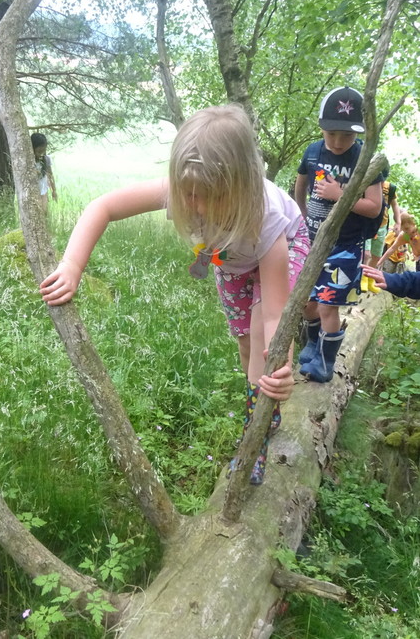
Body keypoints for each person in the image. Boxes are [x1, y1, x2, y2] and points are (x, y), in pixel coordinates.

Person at [40, 104, 310, 484]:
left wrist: (281, 366)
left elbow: (275, 316)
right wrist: (71, 265)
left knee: (261, 334)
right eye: (189, 195)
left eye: (211, 196)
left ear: (241, 186)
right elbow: (103, 207)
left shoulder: (265, 218)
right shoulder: (183, 187)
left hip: (283, 247)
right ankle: (264, 406)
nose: (197, 206)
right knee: (246, 344)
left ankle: (257, 435)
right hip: (231, 259)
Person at [294, 86, 384, 383]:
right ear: (321, 127)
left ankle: (325, 362)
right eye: (331, 133)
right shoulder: (313, 151)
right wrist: (301, 215)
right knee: (307, 303)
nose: (337, 141)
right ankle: (312, 345)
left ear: (359, 133)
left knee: (327, 304)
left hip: (344, 246)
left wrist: (339, 194)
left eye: (346, 135)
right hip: (311, 241)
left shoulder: (364, 159)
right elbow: (301, 182)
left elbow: (373, 207)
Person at [361, 177, 400, 293]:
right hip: (367, 223)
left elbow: (395, 205)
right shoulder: (368, 183)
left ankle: (369, 279)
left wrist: (398, 222)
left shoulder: (390, 188)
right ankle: (362, 278)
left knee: (376, 255)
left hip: (382, 226)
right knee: (366, 254)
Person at [31, 133, 58, 213]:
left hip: (43, 191)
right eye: (39, 151)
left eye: (43, 151)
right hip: (32, 192)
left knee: (44, 212)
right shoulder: (29, 161)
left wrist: (54, 191)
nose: (41, 154)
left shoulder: (46, 159)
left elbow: (50, 175)